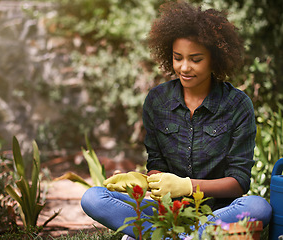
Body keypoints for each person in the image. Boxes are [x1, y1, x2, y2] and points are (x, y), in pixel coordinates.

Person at [80, 1, 272, 239]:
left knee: (258, 207)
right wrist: (141, 181)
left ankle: (173, 235)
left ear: (214, 59)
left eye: (195, 59)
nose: (184, 67)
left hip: (219, 212)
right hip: (170, 213)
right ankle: (187, 236)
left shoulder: (236, 105)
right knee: (93, 198)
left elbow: (239, 182)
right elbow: (157, 165)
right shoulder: (158, 101)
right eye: (177, 57)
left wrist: (188, 185)